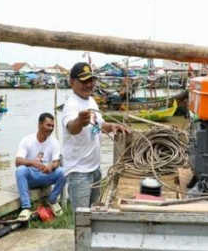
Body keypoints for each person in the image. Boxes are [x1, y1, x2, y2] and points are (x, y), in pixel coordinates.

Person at [62, 62, 130, 211]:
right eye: (84, 80)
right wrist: (80, 121)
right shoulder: (71, 105)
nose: (89, 84)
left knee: (94, 212)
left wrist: (112, 126)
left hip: (94, 168)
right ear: (72, 82)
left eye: (91, 80)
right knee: (82, 217)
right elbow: (71, 128)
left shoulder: (91, 100)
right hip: (79, 172)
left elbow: (98, 124)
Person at [15, 112, 66, 222]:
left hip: (46, 175)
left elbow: (56, 162)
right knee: (20, 170)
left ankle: (52, 200)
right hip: (31, 177)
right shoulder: (27, 140)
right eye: (48, 125)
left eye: (52, 126)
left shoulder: (54, 142)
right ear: (39, 124)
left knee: (64, 172)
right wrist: (32, 163)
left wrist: (50, 166)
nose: (51, 128)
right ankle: (26, 207)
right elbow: (18, 161)